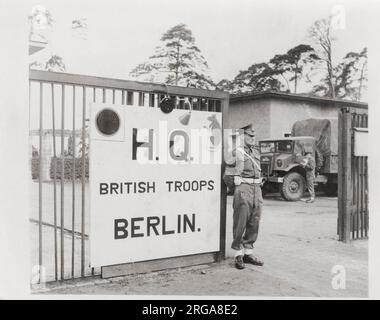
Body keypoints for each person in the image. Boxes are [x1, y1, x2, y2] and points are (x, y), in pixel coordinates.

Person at [226, 123, 264, 270]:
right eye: (249, 135)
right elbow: (228, 174)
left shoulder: (255, 152)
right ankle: (238, 254)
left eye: (254, 136)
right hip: (243, 189)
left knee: (255, 221)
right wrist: (236, 187)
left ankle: (248, 252)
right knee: (240, 222)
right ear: (242, 136)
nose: (253, 138)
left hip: (256, 189)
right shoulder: (237, 152)